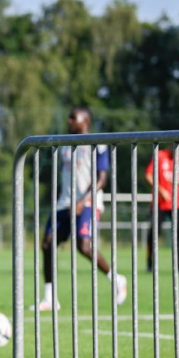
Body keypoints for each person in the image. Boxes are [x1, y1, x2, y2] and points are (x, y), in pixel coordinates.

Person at [34, 106, 128, 311]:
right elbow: (67, 178)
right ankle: (49, 298)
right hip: (64, 203)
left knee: (83, 245)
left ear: (85, 121)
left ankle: (117, 279)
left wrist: (82, 200)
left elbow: (102, 178)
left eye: (72, 118)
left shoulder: (97, 144)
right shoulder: (66, 146)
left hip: (88, 202)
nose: (68, 121)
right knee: (48, 244)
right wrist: (61, 197)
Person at [144, 141, 179, 273]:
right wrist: (160, 190)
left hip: (178, 203)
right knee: (154, 233)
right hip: (159, 203)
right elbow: (148, 175)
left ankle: (178, 264)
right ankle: (150, 263)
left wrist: (178, 180)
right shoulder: (159, 156)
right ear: (172, 145)